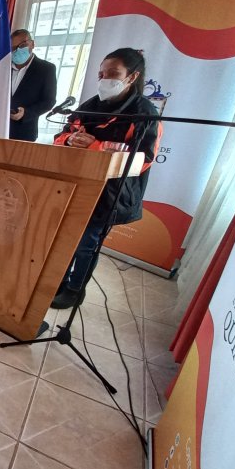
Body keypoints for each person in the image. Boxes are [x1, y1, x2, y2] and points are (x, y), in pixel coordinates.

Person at [51, 47, 161, 309]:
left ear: (132, 77)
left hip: (111, 192)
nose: (104, 79)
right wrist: (70, 139)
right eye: (101, 73)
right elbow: (61, 137)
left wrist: (96, 147)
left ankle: (76, 289)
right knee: (65, 238)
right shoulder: (90, 106)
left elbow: (143, 158)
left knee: (86, 243)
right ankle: (60, 280)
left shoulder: (144, 112)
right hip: (77, 184)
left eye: (112, 73)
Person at [9, 29, 57, 142]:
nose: (17, 50)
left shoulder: (46, 69)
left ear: (32, 44)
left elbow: (49, 101)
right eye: (13, 48)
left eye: (22, 45)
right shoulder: (1, 68)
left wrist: (26, 113)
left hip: (23, 132)